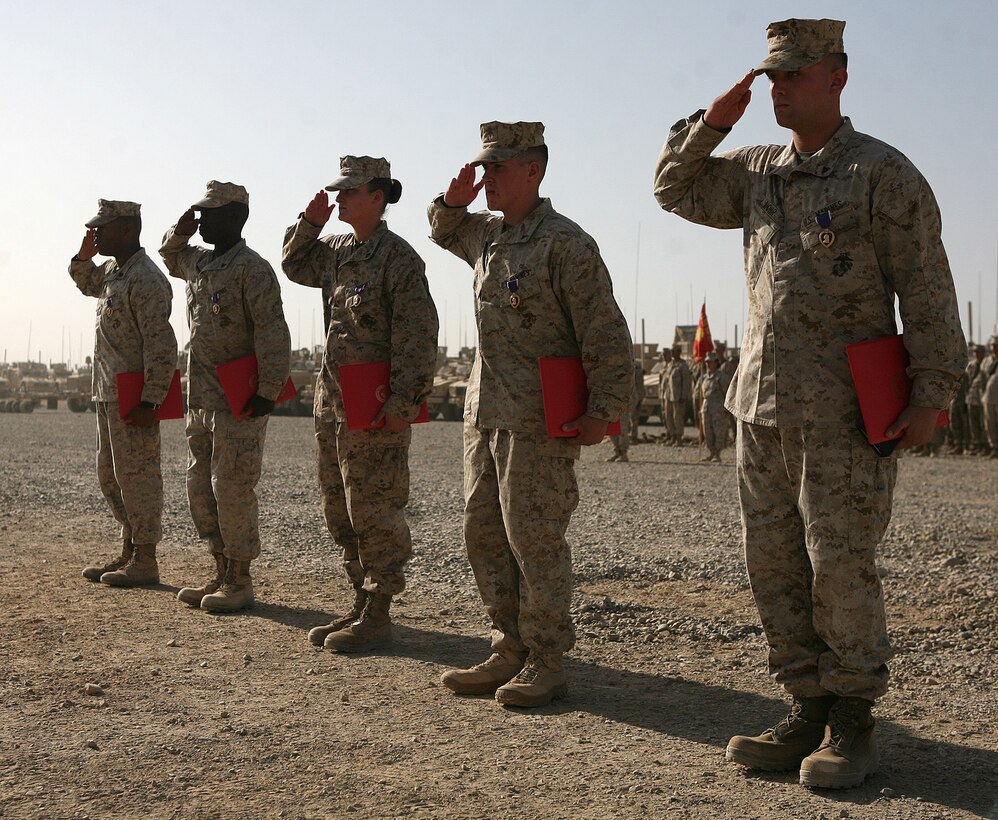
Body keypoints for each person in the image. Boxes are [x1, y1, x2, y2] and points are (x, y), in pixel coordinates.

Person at [654, 19, 964, 789]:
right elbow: (673, 189)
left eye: (794, 73)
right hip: (759, 402)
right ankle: (804, 706)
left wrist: (933, 391)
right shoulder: (757, 168)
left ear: (838, 77)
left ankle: (854, 720)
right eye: (771, 75)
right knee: (775, 565)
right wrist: (713, 122)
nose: (778, 87)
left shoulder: (882, 173)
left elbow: (925, 285)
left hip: (848, 408)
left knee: (840, 564)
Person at [428, 121, 632, 707]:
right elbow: (444, 230)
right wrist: (450, 202)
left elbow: (604, 330)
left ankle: (546, 658)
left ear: (534, 170)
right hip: (486, 412)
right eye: (483, 166)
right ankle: (507, 645)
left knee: (534, 538)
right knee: (483, 533)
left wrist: (604, 409)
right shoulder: (487, 236)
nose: (486, 176)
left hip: (542, 419)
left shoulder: (567, 244)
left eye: (497, 167)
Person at [281, 156, 438, 651]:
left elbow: (418, 333)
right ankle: (359, 599)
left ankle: (380, 610)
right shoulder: (335, 250)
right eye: (338, 191)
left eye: (350, 192)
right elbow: (292, 263)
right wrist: (309, 224)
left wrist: (404, 398)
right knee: (340, 505)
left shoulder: (399, 258)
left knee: (375, 506)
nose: (340, 199)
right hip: (334, 400)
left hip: (376, 403)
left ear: (378, 196)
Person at [160, 181, 291, 613]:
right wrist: (179, 231)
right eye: (200, 213)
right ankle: (219, 570)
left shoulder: (251, 269)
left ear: (237, 217)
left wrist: (269, 390)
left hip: (240, 396)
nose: (203, 221)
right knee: (200, 486)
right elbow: (170, 255)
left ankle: (240, 579)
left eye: (211, 214)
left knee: (231, 487)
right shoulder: (199, 262)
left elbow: (273, 332)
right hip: (201, 395)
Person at [71, 200, 177, 587]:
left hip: (134, 395)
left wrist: (152, 399)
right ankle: (129, 549)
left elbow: (161, 344)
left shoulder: (146, 278)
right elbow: (86, 283)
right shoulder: (115, 272)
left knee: (138, 476)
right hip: (107, 391)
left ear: (130, 229)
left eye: (105, 227)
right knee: (111, 476)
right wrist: (82, 257)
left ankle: (146, 560)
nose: (96, 232)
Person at [696, 351, 730, 462]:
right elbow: (701, 394)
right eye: (707, 362)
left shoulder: (722, 377)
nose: (708, 364)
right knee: (707, 431)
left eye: (710, 362)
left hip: (718, 408)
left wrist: (727, 409)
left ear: (716, 363)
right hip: (706, 407)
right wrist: (700, 409)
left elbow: (728, 394)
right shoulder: (704, 378)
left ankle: (717, 454)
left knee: (718, 431)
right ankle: (711, 452)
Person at [662, 344, 691, 445]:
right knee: (668, 416)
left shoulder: (683, 365)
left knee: (677, 418)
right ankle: (672, 436)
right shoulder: (670, 364)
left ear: (679, 352)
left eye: (674, 351)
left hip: (678, 397)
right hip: (668, 395)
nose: (672, 353)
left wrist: (683, 396)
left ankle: (679, 438)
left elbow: (686, 382)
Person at [978, 335, 998, 459]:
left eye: (996, 346)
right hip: (988, 398)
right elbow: (982, 380)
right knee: (989, 425)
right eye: (993, 346)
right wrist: (982, 395)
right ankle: (994, 448)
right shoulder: (987, 361)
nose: (994, 348)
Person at [965, 344, 986, 454]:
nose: (977, 355)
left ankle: (985, 445)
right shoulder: (972, 365)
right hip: (972, 398)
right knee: (973, 424)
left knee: (983, 423)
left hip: (982, 399)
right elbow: (968, 381)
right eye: (975, 352)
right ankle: (977, 444)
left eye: (979, 352)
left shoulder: (987, 365)